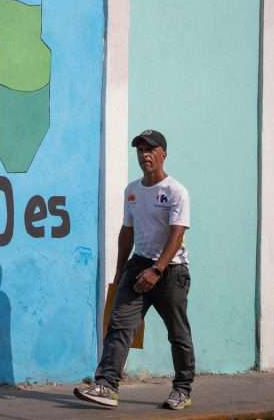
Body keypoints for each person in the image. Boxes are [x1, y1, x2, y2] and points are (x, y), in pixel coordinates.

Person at [74, 129, 195, 410]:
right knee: (119, 325)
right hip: (137, 265)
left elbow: (176, 235)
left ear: (163, 154)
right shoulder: (132, 191)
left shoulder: (176, 191)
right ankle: (106, 385)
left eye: (150, 150)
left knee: (177, 333)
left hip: (171, 271)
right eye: (140, 150)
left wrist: (157, 270)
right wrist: (119, 273)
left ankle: (182, 389)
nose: (145, 155)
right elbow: (126, 233)